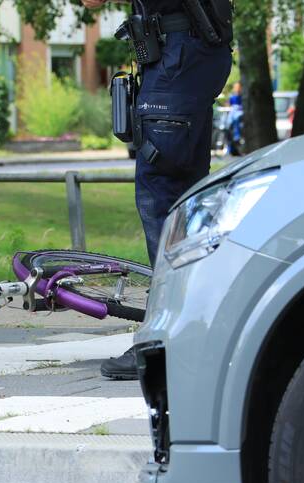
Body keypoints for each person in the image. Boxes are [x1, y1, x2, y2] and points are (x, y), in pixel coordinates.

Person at [84, 0, 232, 380]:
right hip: (198, 56)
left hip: (175, 59)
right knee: (189, 200)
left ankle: (164, 344)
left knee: (160, 198)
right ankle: (205, 333)